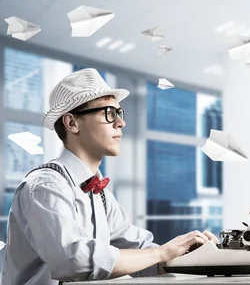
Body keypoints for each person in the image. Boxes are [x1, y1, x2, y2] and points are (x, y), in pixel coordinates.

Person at [1, 68, 219, 284]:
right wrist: (162, 253)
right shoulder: (45, 185)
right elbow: (72, 260)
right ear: (72, 123)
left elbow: (136, 250)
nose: (121, 123)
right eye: (108, 113)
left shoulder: (100, 193)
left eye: (119, 113)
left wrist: (187, 252)